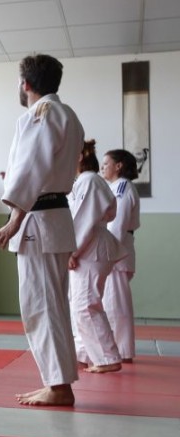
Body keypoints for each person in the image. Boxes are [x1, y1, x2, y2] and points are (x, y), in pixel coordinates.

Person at [0, 53, 84, 407]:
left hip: (38, 222)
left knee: (41, 306)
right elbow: (43, 167)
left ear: (25, 83)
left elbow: (33, 165)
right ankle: (59, 382)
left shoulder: (38, 113)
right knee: (53, 304)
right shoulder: (68, 114)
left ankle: (59, 386)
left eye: (19, 80)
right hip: (55, 217)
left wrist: (14, 219)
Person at [68, 140, 124, 373]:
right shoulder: (84, 182)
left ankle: (108, 357)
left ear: (79, 156)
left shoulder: (89, 181)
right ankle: (83, 353)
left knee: (85, 305)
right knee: (79, 304)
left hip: (92, 247)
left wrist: (72, 251)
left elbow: (85, 220)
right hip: (89, 247)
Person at [101, 148, 141, 364]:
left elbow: (117, 225)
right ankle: (117, 349)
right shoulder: (114, 188)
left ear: (119, 166)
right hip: (116, 249)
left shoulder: (123, 188)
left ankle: (123, 351)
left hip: (117, 250)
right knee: (111, 303)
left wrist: (109, 253)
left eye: (106, 163)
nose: (102, 167)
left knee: (116, 305)